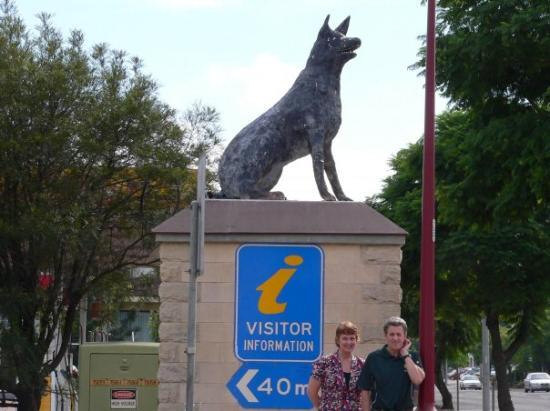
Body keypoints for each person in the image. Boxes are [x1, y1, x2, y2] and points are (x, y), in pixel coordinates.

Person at [358, 316, 425, 411]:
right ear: (385, 336)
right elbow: (365, 391)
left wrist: (405, 354)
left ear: (405, 336)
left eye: (399, 334)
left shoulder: (412, 357)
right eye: (392, 334)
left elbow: (417, 380)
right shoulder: (374, 358)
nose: (395, 338)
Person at [307, 321, 364, 410]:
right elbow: (311, 391)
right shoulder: (324, 362)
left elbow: (365, 395)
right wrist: (322, 407)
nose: (349, 342)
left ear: (356, 340)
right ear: (338, 340)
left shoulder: (362, 365)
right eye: (345, 338)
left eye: (352, 338)